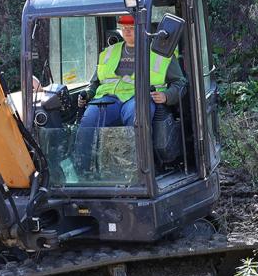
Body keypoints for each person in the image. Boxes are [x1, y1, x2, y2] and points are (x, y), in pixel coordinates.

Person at [74, 14, 186, 173]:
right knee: (88, 120)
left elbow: (180, 83)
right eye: (124, 28)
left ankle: (142, 173)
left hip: (140, 98)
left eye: (131, 28)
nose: (126, 31)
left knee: (137, 119)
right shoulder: (108, 52)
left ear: (142, 29)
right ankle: (81, 172)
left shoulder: (161, 54)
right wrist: (88, 94)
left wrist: (166, 96)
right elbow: (95, 82)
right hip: (109, 99)